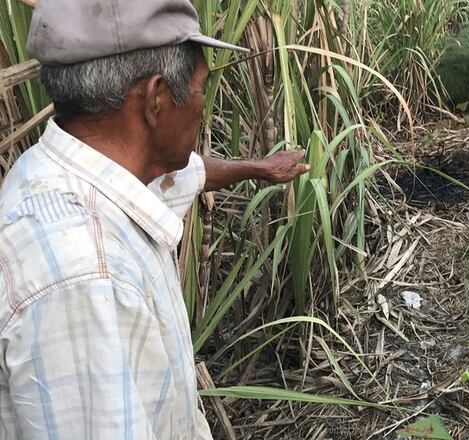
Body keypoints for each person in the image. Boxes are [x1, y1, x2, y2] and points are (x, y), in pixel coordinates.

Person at [0, 0, 309, 438]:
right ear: (156, 99)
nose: (202, 106)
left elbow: (185, 176)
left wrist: (259, 168)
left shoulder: (62, 171)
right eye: (201, 89)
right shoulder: (85, 279)